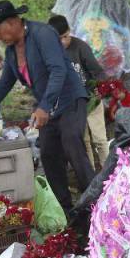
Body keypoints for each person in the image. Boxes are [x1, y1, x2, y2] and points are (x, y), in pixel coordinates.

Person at [0, 1, 94, 216]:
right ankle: (65, 211)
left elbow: (57, 70)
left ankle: (96, 202)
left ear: (13, 22)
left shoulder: (43, 34)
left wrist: (44, 106)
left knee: (72, 143)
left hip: (68, 100)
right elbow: (4, 84)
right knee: (48, 153)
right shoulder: (10, 52)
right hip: (47, 108)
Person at [48, 14, 110, 172]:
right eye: (58, 39)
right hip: (72, 103)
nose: (63, 42)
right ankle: (90, 176)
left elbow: (98, 72)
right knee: (84, 141)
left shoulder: (80, 47)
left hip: (91, 99)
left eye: (66, 36)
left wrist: (101, 88)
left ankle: (110, 172)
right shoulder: (51, 53)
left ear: (70, 32)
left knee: (100, 139)